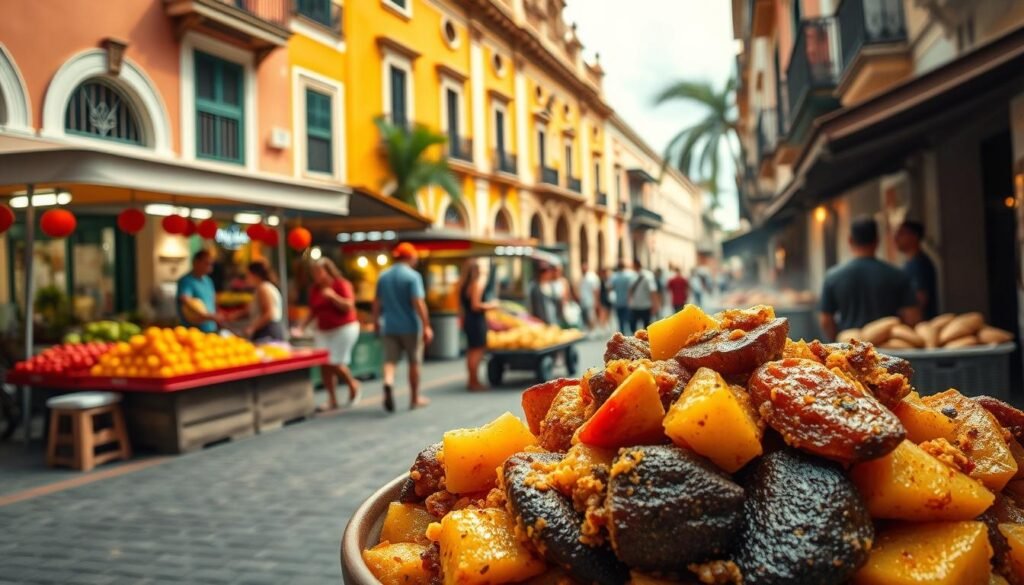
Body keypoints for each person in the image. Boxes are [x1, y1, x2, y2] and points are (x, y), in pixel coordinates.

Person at [820, 216, 921, 341]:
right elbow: (912, 317)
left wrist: (837, 343)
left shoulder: (832, 276)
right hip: (888, 351)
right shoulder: (897, 275)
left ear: (850, 240)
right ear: (877, 241)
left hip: (851, 350)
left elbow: (826, 320)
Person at [374, 242, 433, 412]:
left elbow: (377, 303)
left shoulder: (383, 276)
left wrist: (377, 321)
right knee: (414, 362)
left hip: (389, 325)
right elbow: (418, 303)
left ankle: (388, 382)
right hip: (410, 327)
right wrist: (427, 325)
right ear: (410, 257)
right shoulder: (412, 276)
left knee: (390, 360)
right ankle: (414, 398)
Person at [297, 258, 360, 411]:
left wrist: (333, 297)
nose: (316, 275)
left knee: (335, 362)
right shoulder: (314, 289)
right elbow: (313, 311)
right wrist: (301, 327)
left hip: (344, 328)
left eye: (319, 272)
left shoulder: (341, 284)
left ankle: (353, 384)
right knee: (324, 363)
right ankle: (332, 399)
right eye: (314, 273)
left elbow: (349, 306)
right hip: (323, 330)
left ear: (327, 271)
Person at [459, 259, 497, 391]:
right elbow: (476, 305)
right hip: (476, 319)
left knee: (471, 351)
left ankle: (472, 380)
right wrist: (491, 305)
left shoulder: (464, 284)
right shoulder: (477, 283)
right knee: (477, 351)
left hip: (469, 319)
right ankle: (474, 382)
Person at [895, 220, 938, 320]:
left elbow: (921, 298)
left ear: (914, 236)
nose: (896, 238)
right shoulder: (910, 263)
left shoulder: (919, 264)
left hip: (921, 323)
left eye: (901, 233)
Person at [177, 249, 222, 333]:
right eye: (206, 263)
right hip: (194, 331)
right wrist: (205, 315)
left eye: (211, 264)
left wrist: (216, 316)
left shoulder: (208, 281)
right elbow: (185, 299)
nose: (210, 267)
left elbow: (213, 300)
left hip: (211, 328)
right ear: (196, 262)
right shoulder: (186, 281)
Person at [241, 260, 284, 341]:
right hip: (271, 331)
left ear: (255, 275)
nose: (246, 278)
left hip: (267, 333)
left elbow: (269, 313)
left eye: (248, 275)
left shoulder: (263, 288)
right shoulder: (266, 287)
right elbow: (247, 311)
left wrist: (252, 328)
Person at [627, 259, 658, 332]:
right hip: (637, 305)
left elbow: (653, 291)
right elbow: (630, 291)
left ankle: (644, 342)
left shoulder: (647, 275)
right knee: (634, 326)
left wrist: (655, 305)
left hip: (644, 305)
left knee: (645, 327)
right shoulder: (632, 275)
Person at [609, 262, 636, 333]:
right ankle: (630, 333)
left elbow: (610, 288)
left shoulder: (614, 276)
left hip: (618, 301)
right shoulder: (629, 276)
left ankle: (622, 333)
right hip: (627, 301)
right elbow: (631, 288)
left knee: (620, 320)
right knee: (628, 318)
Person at [577, 261, 601, 334]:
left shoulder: (592, 277)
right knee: (586, 316)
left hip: (590, 300)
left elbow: (596, 290)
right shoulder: (583, 277)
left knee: (591, 316)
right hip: (584, 300)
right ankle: (589, 330)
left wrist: (596, 301)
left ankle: (593, 330)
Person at [597, 266, 612, 332]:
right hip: (603, 298)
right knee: (603, 313)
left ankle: (607, 325)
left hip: (608, 299)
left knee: (608, 313)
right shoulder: (600, 281)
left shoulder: (608, 280)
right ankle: (603, 327)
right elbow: (599, 291)